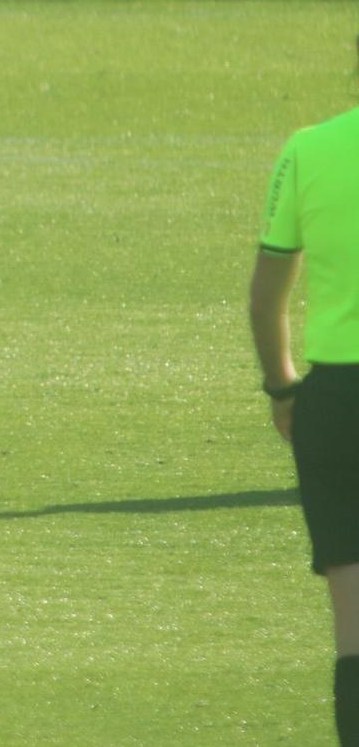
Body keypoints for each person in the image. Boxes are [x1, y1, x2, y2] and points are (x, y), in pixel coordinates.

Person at [248, 36, 359, 744]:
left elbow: (265, 300)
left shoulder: (309, 148)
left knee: (353, 627)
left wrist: (283, 388)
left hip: (335, 407)